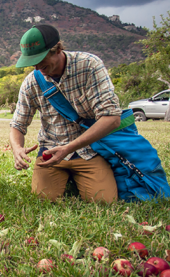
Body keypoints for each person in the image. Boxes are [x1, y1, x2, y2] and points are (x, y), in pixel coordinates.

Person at [9, 25, 121, 203]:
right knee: (44, 199)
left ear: (58, 49)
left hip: (89, 150)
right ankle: (65, 177)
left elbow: (112, 118)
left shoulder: (89, 66)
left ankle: (77, 177)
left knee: (104, 202)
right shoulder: (31, 82)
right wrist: (17, 149)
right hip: (50, 151)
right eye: (33, 62)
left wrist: (69, 148)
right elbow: (17, 125)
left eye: (41, 59)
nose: (37, 67)